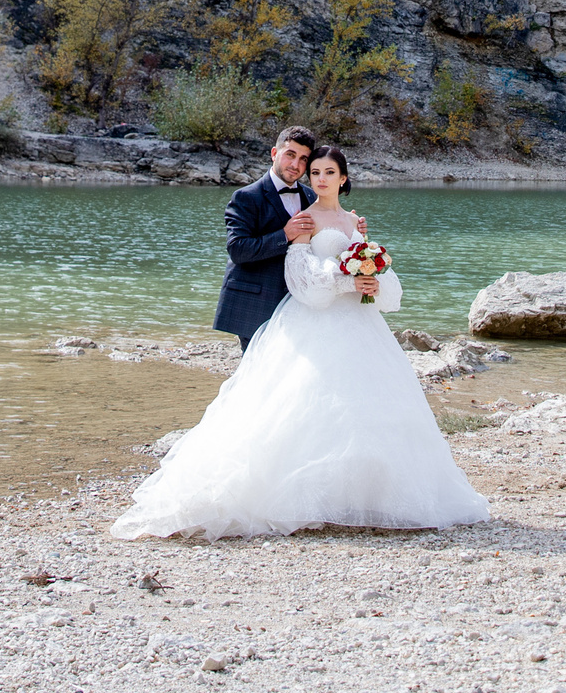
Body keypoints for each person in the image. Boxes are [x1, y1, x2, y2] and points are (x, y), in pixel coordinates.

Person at [112, 145, 488, 539]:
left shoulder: (355, 223)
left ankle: (362, 495)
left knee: (365, 403)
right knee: (302, 403)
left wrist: (371, 281)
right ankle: (296, 496)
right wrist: (347, 281)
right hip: (314, 317)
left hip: (359, 323)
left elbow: (371, 261)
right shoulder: (303, 216)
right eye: (316, 173)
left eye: (328, 173)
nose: (320, 179)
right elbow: (300, 273)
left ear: (344, 178)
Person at [211, 126, 322, 352]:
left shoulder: (310, 196)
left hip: (297, 303)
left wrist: (352, 227)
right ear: (274, 153)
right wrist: (285, 235)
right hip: (254, 304)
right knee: (257, 378)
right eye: (290, 155)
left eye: (303, 159)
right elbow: (238, 250)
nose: (295, 165)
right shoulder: (245, 197)